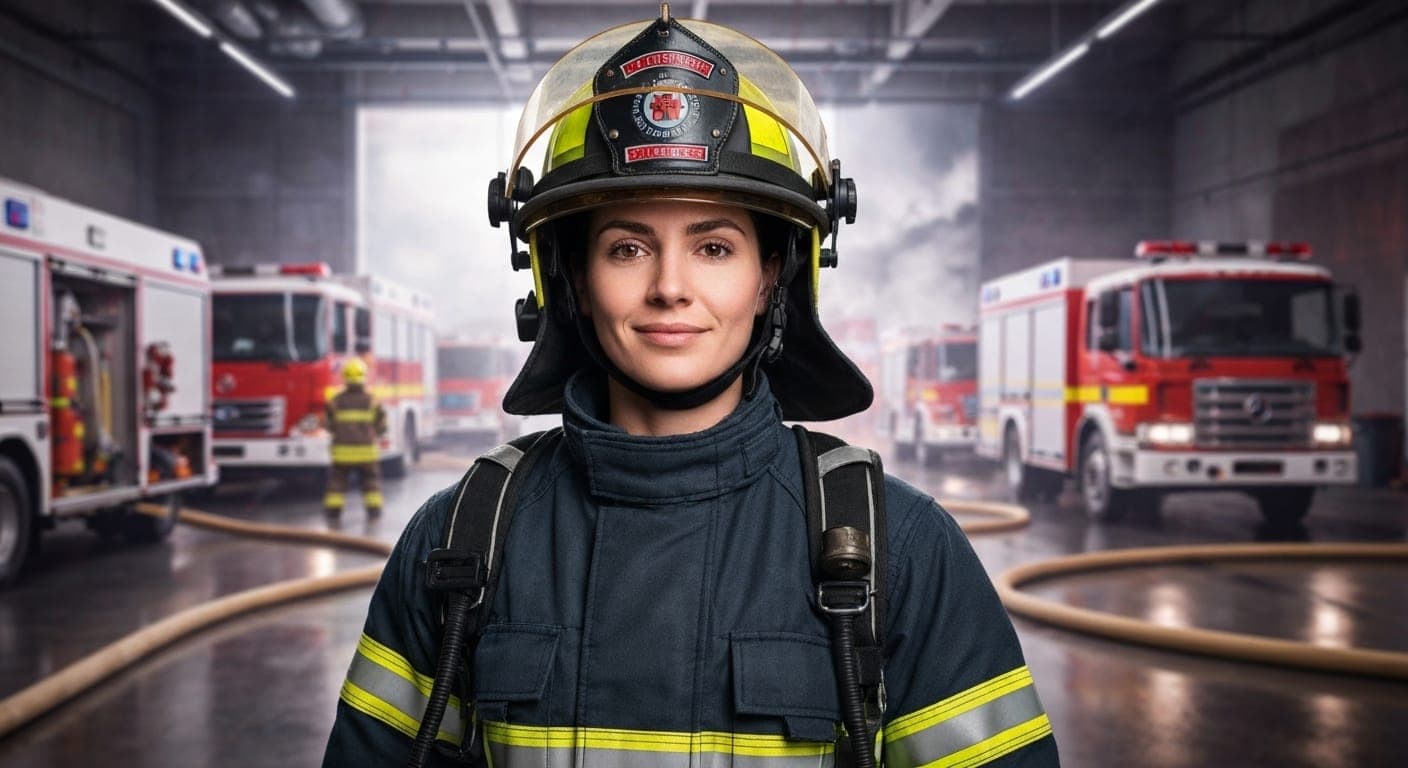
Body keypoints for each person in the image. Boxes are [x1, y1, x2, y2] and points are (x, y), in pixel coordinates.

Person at [324, 6, 1059, 766]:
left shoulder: (895, 549)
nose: (669, 287)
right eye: (628, 246)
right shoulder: (457, 544)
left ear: (775, 273)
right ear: (569, 276)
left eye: (713, 245)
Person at [324, 357, 387, 517]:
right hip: (366, 452)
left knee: (337, 483)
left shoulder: (336, 401)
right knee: (370, 482)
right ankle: (374, 510)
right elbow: (382, 426)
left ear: (344, 377)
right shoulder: (372, 401)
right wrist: (377, 433)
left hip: (342, 452)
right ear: (363, 376)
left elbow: (328, 425)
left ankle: (333, 511)